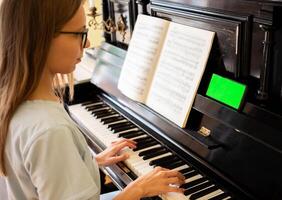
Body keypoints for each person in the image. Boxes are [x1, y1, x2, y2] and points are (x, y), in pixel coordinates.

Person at [0, 0, 185, 199]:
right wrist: (138, 189)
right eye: (80, 33)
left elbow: (44, 172)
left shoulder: (18, 102)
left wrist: (88, 161)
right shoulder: (50, 130)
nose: (87, 43)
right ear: (41, 38)